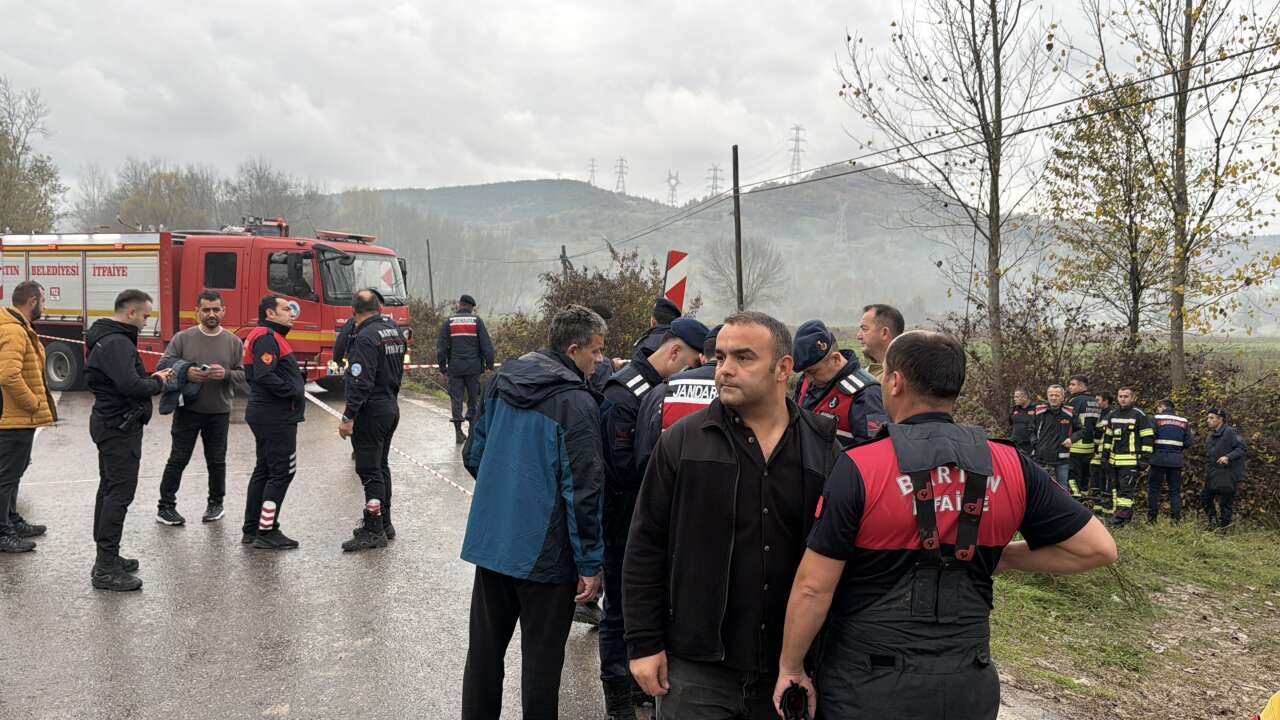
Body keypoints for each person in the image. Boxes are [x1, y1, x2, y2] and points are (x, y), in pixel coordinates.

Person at [772, 330, 1117, 719]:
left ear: (896, 381)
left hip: (868, 686)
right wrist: (1008, 557)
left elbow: (813, 588)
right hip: (967, 684)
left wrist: (791, 667)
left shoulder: (860, 467)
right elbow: (1098, 548)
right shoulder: (1011, 464)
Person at [624, 311, 842, 720]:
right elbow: (644, 547)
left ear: (783, 368)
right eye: (721, 356)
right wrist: (643, 643)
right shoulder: (681, 443)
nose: (724, 369)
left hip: (787, 670)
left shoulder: (822, 450)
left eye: (743, 358)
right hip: (695, 669)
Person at [459, 305, 608, 719]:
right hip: (547, 556)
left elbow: (475, 455)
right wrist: (590, 563)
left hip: (492, 544)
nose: (600, 360)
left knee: (484, 656)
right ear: (573, 349)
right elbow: (583, 492)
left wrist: (508, 495)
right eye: (596, 351)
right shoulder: (577, 405)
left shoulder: (498, 382)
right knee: (542, 666)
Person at [598, 317, 707, 718]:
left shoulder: (662, 391)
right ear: (675, 352)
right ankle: (618, 699)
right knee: (619, 611)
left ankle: (637, 685)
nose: (694, 373)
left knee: (647, 607)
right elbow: (621, 468)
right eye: (693, 362)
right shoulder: (624, 391)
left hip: (649, 520)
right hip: (622, 519)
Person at [85, 289, 174, 590]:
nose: (147, 321)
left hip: (111, 424)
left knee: (109, 489)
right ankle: (105, 568)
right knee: (119, 493)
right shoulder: (117, 342)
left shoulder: (109, 338)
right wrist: (158, 381)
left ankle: (107, 556)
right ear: (131, 312)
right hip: (118, 427)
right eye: (146, 315)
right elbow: (131, 385)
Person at [154, 290, 245, 526]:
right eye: (206, 309)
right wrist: (187, 372)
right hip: (187, 410)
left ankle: (216, 504)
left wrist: (225, 374)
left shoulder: (234, 342)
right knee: (178, 459)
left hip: (219, 412)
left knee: (216, 461)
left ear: (224, 311)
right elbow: (163, 366)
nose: (211, 314)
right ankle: (165, 507)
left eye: (216, 309)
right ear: (197, 312)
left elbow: (244, 377)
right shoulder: (182, 338)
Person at [338, 289, 406, 552]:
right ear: (379, 307)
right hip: (389, 405)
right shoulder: (393, 330)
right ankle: (385, 523)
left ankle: (373, 529)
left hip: (371, 410)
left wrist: (348, 416)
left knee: (368, 470)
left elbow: (360, 381)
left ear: (354, 311)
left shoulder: (364, 337)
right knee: (381, 466)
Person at [242, 295, 306, 550]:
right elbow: (264, 376)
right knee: (281, 472)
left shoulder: (270, 336)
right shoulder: (267, 337)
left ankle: (252, 528)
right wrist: (293, 389)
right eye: (286, 309)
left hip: (268, 414)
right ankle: (267, 531)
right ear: (270, 313)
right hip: (275, 416)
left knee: (265, 470)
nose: (292, 313)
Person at [0, 280, 56, 553]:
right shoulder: (15, 332)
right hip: (14, 417)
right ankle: (3, 532)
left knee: (14, 472)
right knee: (7, 476)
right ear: (32, 302)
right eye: (43, 301)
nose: (45, 307)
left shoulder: (19, 327)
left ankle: (11, 520)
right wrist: (32, 403)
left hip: (17, 417)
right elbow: (8, 375)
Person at [633, 324, 722, 477]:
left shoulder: (661, 391)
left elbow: (644, 457)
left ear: (702, 357)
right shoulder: (743, 394)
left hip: (671, 490)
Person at [791, 319, 887, 449]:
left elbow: (874, 451)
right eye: (805, 372)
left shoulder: (867, 395)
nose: (808, 379)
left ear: (836, 359)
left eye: (813, 372)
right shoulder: (806, 381)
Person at [437, 294, 495, 444]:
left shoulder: (449, 322)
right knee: (473, 399)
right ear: (470, 307)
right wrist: (489, 365)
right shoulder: (477, 321)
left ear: (460, 305)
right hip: (473, 368)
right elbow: (486, 346)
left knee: (456, 399)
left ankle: (458, 431)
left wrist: (443, 368)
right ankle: (471, 431)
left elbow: (441, 347)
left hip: (455, 368)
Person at [1106, 386, 1154, 527]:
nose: (1123, 399)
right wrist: (1104, 456)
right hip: (1114, 461)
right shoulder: (1113, 414)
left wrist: (1145, 459)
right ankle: (1121, 515)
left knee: (1125, 491)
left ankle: (1120, 520)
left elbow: (1147, 437)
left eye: (1126, 396)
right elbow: (1108, 437)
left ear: (1133, 398)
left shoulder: (1139, 415)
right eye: (1120, 396)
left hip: (1131, 461)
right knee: (1116, 490)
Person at [1202, 408, 1246, 530]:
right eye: (1207, 418)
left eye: (1211, 418)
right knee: (1205, 498)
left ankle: (1224, 529)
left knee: (1225, 503)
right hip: (1213, 472)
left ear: (1220, 419)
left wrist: (1228, 457)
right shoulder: (1210, 436)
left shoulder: (1230, 432)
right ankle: (1213, 523)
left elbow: (1242, 449)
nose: (1208, 421)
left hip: (1228, 472)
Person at [1149, 398, 1192, 523]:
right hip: (1176, 460)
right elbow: (1188, 442)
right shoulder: (1183, 421)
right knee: (1175, 491)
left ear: (1162, 407)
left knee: (1154, 490)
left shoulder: (1155, 419)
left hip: (1158, 459)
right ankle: (1176, 519)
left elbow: (1150, 437)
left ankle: (1152, 518)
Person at [1030, 384, 1074, 492]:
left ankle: (1063, 508)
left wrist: (1072, 439)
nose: (1053, 398)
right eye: (1051, 395)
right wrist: (1036, 444)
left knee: (1063, 487)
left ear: (1063, 397)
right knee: (1038, 486)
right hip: (1041, 456)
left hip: (1062, 457)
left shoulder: (1069, 412)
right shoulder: (1039, 411)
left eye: (1057, 395)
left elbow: (1081, 430)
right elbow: (1030, 430)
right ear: (1047, 396)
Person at [1066, 375, 1102, 501]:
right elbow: (1098, 426)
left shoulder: (1075, 401)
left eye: (1073, 384)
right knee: (1085, 476)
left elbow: (1068, 422)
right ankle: (1085, 500)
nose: (1070, 387)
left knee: (1072, 475)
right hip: (1089, 446)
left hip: (1075, 445)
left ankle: (1075, 500)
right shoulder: (1095, 402)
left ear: (1081, 386)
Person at [856, 303, 904, 381]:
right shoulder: (867, 373)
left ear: (884, 333)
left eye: (864, 329)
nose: (858, 336)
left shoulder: (904, 378)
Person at [1090, 391, 1116, 515]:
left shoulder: (1111, 414)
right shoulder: (1098, 413)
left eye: (1098, 400)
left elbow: (1101, 429)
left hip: (1107, 454)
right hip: (1096, 453)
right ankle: (1097, 507)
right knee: (1096, 479)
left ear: (1106, 401)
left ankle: (1108, 508)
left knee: (1107, 480)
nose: (1096, 403)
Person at [1009, 386, 1035, 456]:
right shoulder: (1014, 409)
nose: (1014, 399)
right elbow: (1011, 425)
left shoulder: (1036, 409)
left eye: (1017, 397)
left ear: (1025, 397)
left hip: (1029, 447)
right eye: (1014, 397)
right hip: (1015, 445)